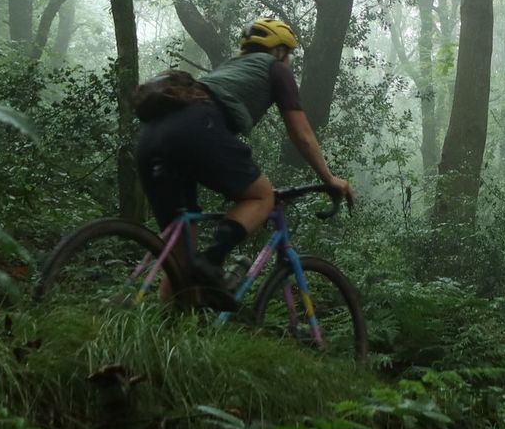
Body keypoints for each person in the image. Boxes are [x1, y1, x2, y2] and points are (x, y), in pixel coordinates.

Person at [134, 17, 354, 309]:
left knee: (180, 253)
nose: (289, 61)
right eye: (289, 54)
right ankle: (211, 262)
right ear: (280, 51)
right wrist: (329, 177)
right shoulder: (275, 69)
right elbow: (300, 133)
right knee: (263, 196)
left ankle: (163, 328)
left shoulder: (228, 69)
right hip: (197, 126)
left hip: (150, 138)